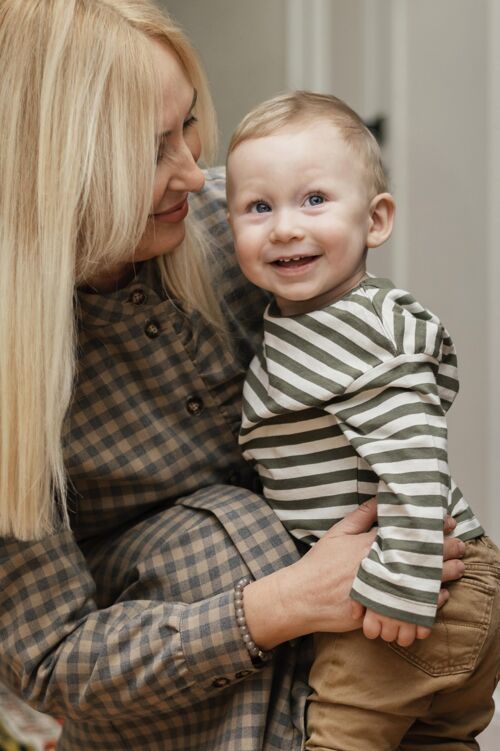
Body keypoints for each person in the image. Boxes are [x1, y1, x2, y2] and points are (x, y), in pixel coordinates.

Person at [0, 2, 466, 749]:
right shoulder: (13, 373)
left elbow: (387, 377)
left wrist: (410, 529)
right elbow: (52, 662)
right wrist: (283, 601)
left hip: (373, 657)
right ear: (52, 172)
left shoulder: (243, 230)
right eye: (152, 151)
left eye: (187, 125)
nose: (194, 169)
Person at [226, 90, 500, 750]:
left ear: (376, 220)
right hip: (434, 587)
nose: (286, 226)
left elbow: (413, 454)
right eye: (259, 207)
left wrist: (401, 587)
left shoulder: (365, 327)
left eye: (314, 200)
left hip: (417, 590)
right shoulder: (305, 323)